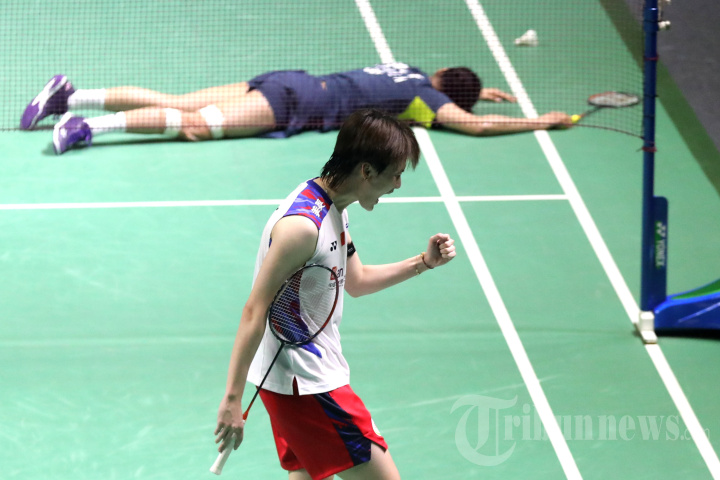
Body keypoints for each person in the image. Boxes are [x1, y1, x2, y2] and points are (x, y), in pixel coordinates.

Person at [213, 108, 455, 480]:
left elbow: (356, 281)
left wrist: (424, 262)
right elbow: (254, 310)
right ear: (366, 171)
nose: (397, 185)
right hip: (307, 384)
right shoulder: (303, 228)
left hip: (299, 379)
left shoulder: (333, 206)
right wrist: (232, 399)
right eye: (395, 174)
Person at [21, 62, 572, 154]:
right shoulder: (424, 102)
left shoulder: (411, 73)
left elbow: (445, 87)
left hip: (288, 79)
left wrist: (481, 87)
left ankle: (70, 94)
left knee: (177, 101)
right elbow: (474, 127)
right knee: (193, 127)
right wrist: (539, 121)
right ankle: (88, 127)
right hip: (294, 105)